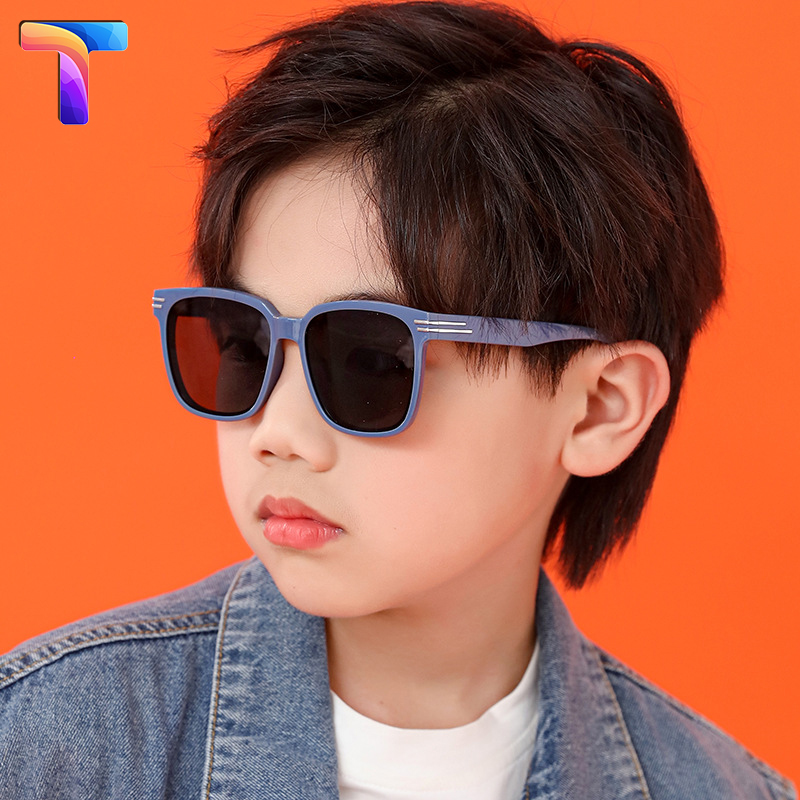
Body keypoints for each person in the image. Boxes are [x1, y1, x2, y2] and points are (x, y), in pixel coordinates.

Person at [0, 2, 795, 798]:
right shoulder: (47, 748)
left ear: (599, 408)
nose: (278, 432)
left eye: (372, 361)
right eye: (245, 345)